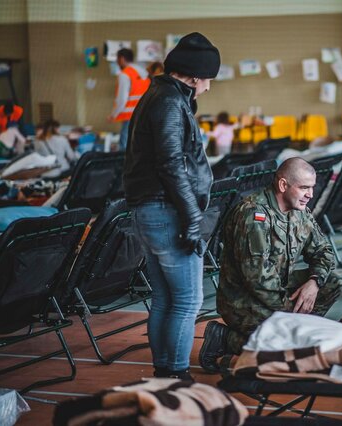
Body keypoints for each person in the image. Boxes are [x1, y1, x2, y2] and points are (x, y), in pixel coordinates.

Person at [123, 32, 220, 381]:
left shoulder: (160, 95)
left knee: (166, 298)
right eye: (208, 79)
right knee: (188, 300)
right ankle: (176, 375)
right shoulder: (167, 101)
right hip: (166, 212)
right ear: (194, 76)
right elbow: (170, 163)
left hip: (154, 212)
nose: (209, 87)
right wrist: (192, 215)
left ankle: (164, 371)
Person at [199, 157, 342, 373]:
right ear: (283, 185)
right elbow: (258, 280)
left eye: (312, 188)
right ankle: (224, 339)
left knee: (332, 283)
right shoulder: (253, 214)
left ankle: (287, 334)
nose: (310, 195)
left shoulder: (299, 212)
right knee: (292, 341)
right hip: (244, 300)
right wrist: (290, 317)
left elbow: (325, 251)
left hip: (277, 291)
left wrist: (314, 282)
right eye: (304, 188)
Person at [108, 48, 150, 151]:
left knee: (124, 145)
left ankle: (123, 166)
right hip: (144, 113)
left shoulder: (125, 74)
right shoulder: (143, 72)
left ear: (121, 59)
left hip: (129, 115)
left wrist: (113, 115)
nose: (117, 63)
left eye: (117, 60)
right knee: (139, 143)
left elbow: (122, 99)